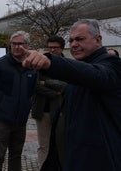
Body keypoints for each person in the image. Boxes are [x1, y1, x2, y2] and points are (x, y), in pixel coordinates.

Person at [22, 19, 121, 171]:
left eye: (80, 39)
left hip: (98, 160)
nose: (74, 44)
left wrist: (50, 62)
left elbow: (95, 75)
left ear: (98, 39)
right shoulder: (78, 68)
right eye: (71, 40)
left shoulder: (112, 65)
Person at [0, 31, 38, 171]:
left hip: (21, 121)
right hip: (2, 120)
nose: (17, 47)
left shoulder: (32, 67)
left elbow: (32, 90)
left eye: (20, 44)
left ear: (27, 45)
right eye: (14, 44)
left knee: (16, 155)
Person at [31, 36, 67, 169]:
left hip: (61, 111)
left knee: (61, 144)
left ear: (62, 48)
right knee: (44, 145)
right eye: (50, 47)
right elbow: (35, 85)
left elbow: (66, 85)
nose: (52, 50)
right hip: (43, 111)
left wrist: (45, 82)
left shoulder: (67, 65)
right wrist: (55, 92)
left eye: (55, 47)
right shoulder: (39, 64)